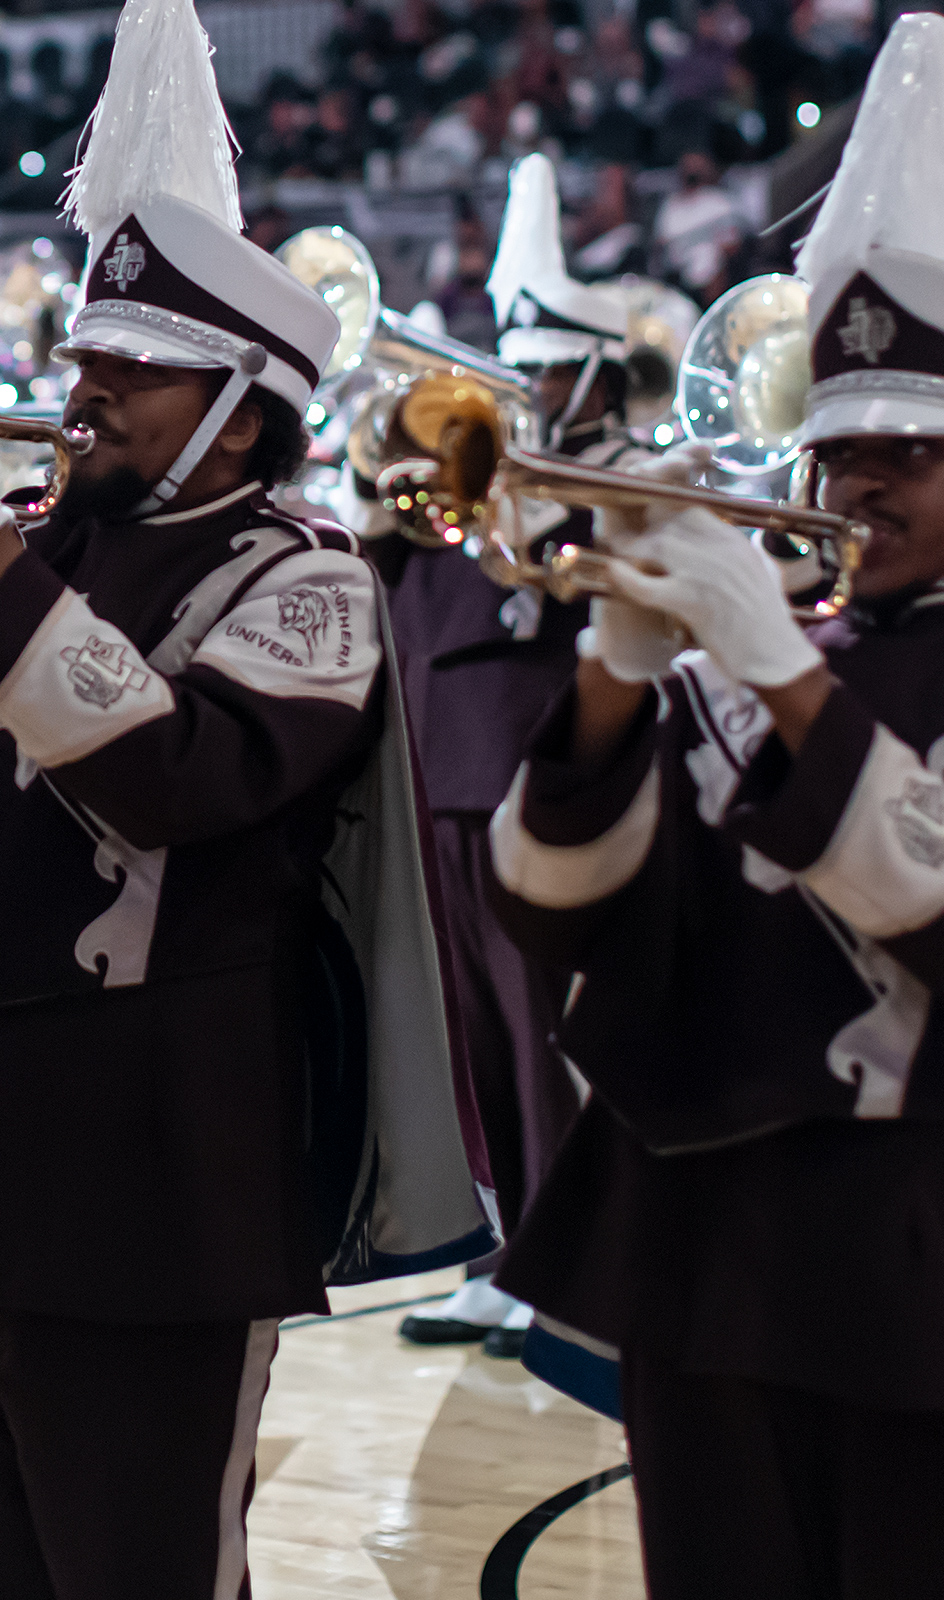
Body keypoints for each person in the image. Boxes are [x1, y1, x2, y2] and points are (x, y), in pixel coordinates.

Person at [0, 0, 482, 1590]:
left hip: (157, 1158)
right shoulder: (34, 546)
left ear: (241, 409)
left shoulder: (305, 580)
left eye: (134, 372)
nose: (85, 393)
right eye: (86, 358)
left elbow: (173, 777)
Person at [486, 15, 944, 1590]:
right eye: (840, 446)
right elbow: (550, 909)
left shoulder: (778, 658)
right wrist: (618, 673)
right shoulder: (747, 658)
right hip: (702, 1249)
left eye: (909, 453)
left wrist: (778, 668)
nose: (857, 481)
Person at [389, 152, 663, 1358]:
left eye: (549, 367)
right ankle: (498, 1253)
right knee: (473, 1039)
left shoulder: (628, 481)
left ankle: (566, 1261)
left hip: (540, 790)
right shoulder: (484, 466)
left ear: (598, 370)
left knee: (546, 1035)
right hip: (448, 773)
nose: (529, 388)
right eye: (522, 365)